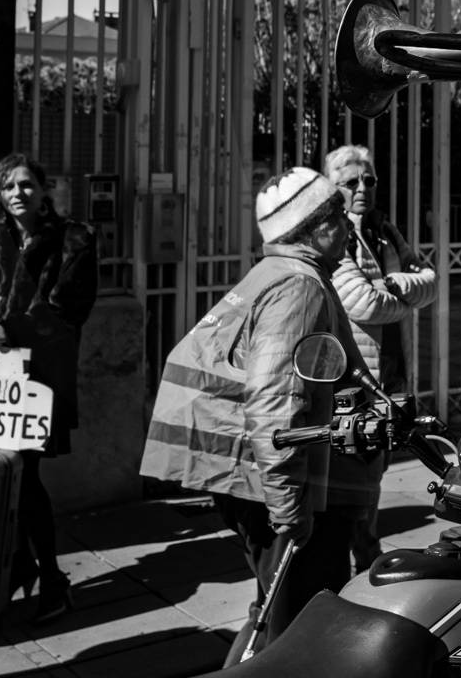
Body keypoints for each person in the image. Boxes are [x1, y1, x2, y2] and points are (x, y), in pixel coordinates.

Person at [141, 167, 381, 664]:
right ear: (313, 229)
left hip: (247, 475)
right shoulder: (300, 286)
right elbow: (276, 397)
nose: (349, 223)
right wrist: (289, 505)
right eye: (338, 213)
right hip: (265, 480)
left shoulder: (280, 273)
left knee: (274, 613)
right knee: (301, 628)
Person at [0, 153, 98, 624]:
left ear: (44, 189)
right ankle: (20, 568)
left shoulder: (75, 238)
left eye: (26, 185)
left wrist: (13, 328)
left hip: (36, 375)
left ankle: (49, 578)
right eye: (7, 186)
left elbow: (69, 307)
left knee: (24, 476)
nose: (17, 194)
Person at [324, 144, 437, 569]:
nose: (361, 189)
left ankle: (364, 549)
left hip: (394, 368)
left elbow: (430, 279)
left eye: (368, 180)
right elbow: (362, 302)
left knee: (381, 464)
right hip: (360, 374)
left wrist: (394, 285)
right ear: (333, 188)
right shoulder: (335, 233)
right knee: (363, 469)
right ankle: (365, 553)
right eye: (350, 182)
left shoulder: (384, 228)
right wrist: (407, 296)